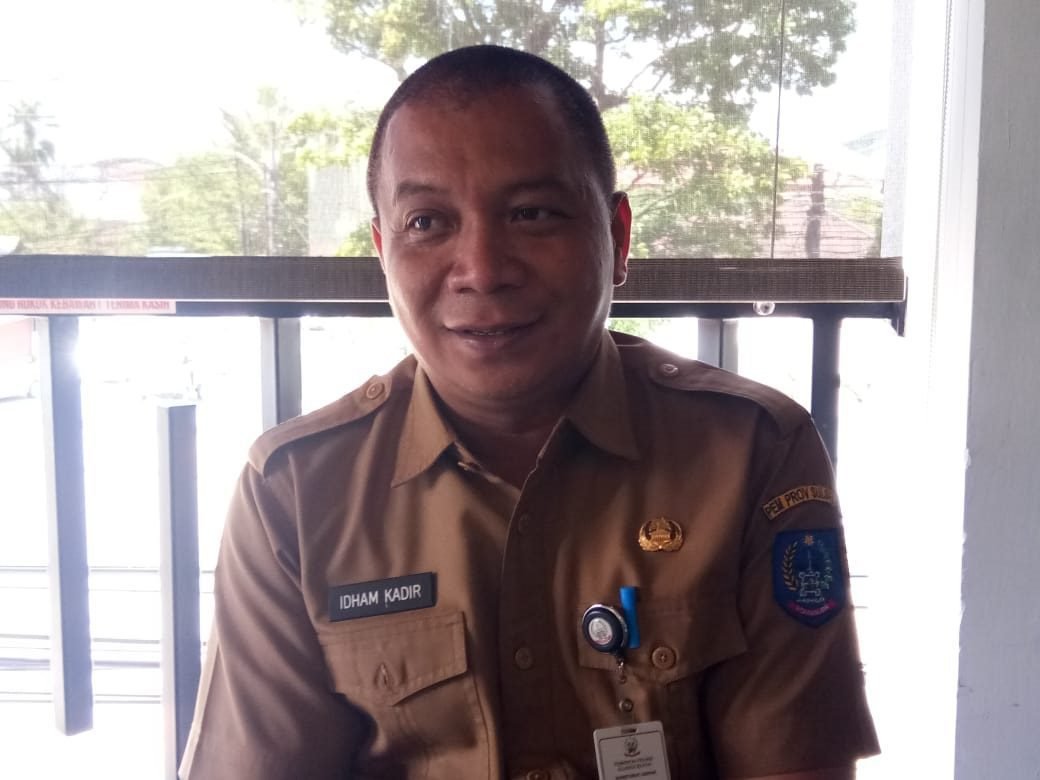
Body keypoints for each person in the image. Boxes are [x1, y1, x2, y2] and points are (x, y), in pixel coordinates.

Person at [180, 45, 878, 779]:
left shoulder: (749, 454)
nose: (482, 270)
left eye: (533, 213)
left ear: (618, 238)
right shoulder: (295, 492)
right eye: (427, 222)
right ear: (383, 250)